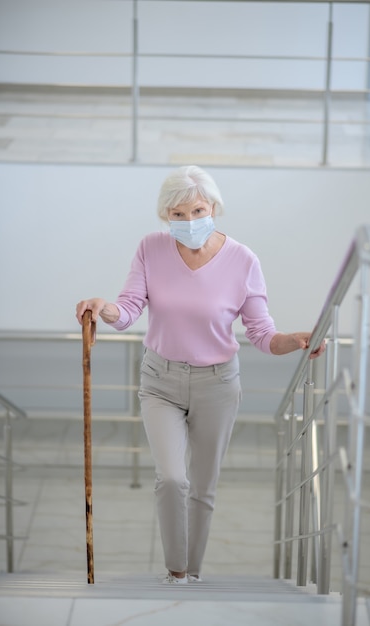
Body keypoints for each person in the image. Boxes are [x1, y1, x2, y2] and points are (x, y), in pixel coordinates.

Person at [76, 165, 325, 584]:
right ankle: (176, 572)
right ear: (165, 216)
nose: (189, 221)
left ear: (213, 207)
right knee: (172, 478)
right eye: (177, 214)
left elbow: (262, 334)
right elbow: (129, 310)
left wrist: (295, 339)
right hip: (160, 381)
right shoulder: (150, 249)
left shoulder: (243, 260)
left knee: (203, 488)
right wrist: (104, 306)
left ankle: (193, 574)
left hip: (218, 385)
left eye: (197, 210)